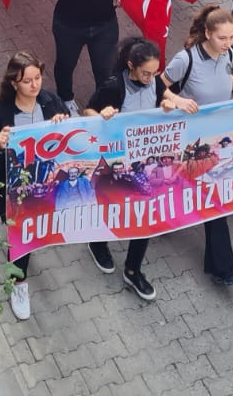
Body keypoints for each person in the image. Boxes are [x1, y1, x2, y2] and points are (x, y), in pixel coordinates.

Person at [162, 6, 233, 285]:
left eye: (232, 37)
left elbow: (225, 78)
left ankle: (222, 268)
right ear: (207, 34)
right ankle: (162, 216)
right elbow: (158, 84)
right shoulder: (184, 59)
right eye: (222, 38)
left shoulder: (227, 54)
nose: (229, 43)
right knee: (179, 186)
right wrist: (176, 101)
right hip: (189, 141)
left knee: (212, 198)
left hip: (217, 140)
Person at [83, 37, 181, 300]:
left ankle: (133, 269)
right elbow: (87, 112)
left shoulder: (155, 81)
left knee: (145, 213)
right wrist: (101, 115)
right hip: (115, 164)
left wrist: (169, 104)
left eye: (155, 72)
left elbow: (164, 97)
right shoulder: (114, 86)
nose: (151, 78)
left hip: (142, 162)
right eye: (146, 73)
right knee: (112, 206)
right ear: (131, 66)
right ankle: (98, 243)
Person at [0, 51, 72, 320]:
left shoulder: (50, 101)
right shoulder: (2, 116)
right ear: (13, 84)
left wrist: (63, 123)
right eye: (27, 81)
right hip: (13, 193)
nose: (35, 85)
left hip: (44, 186)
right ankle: (18, 284)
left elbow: (69, 130)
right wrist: (0, 146)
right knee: (20, 237)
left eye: (38, 78)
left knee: (32, 232)